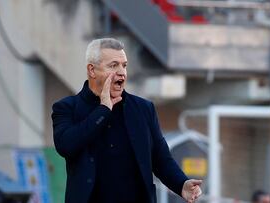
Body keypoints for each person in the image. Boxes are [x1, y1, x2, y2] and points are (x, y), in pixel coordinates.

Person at [52, 38, 202, 203]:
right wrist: (102, 110)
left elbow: (160, 158)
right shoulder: (67, 108)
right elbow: (65, 145)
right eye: (113, 65)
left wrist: (181, 184)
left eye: (124, 65)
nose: (121, 72)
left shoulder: (144, 109)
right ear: (92, 70)